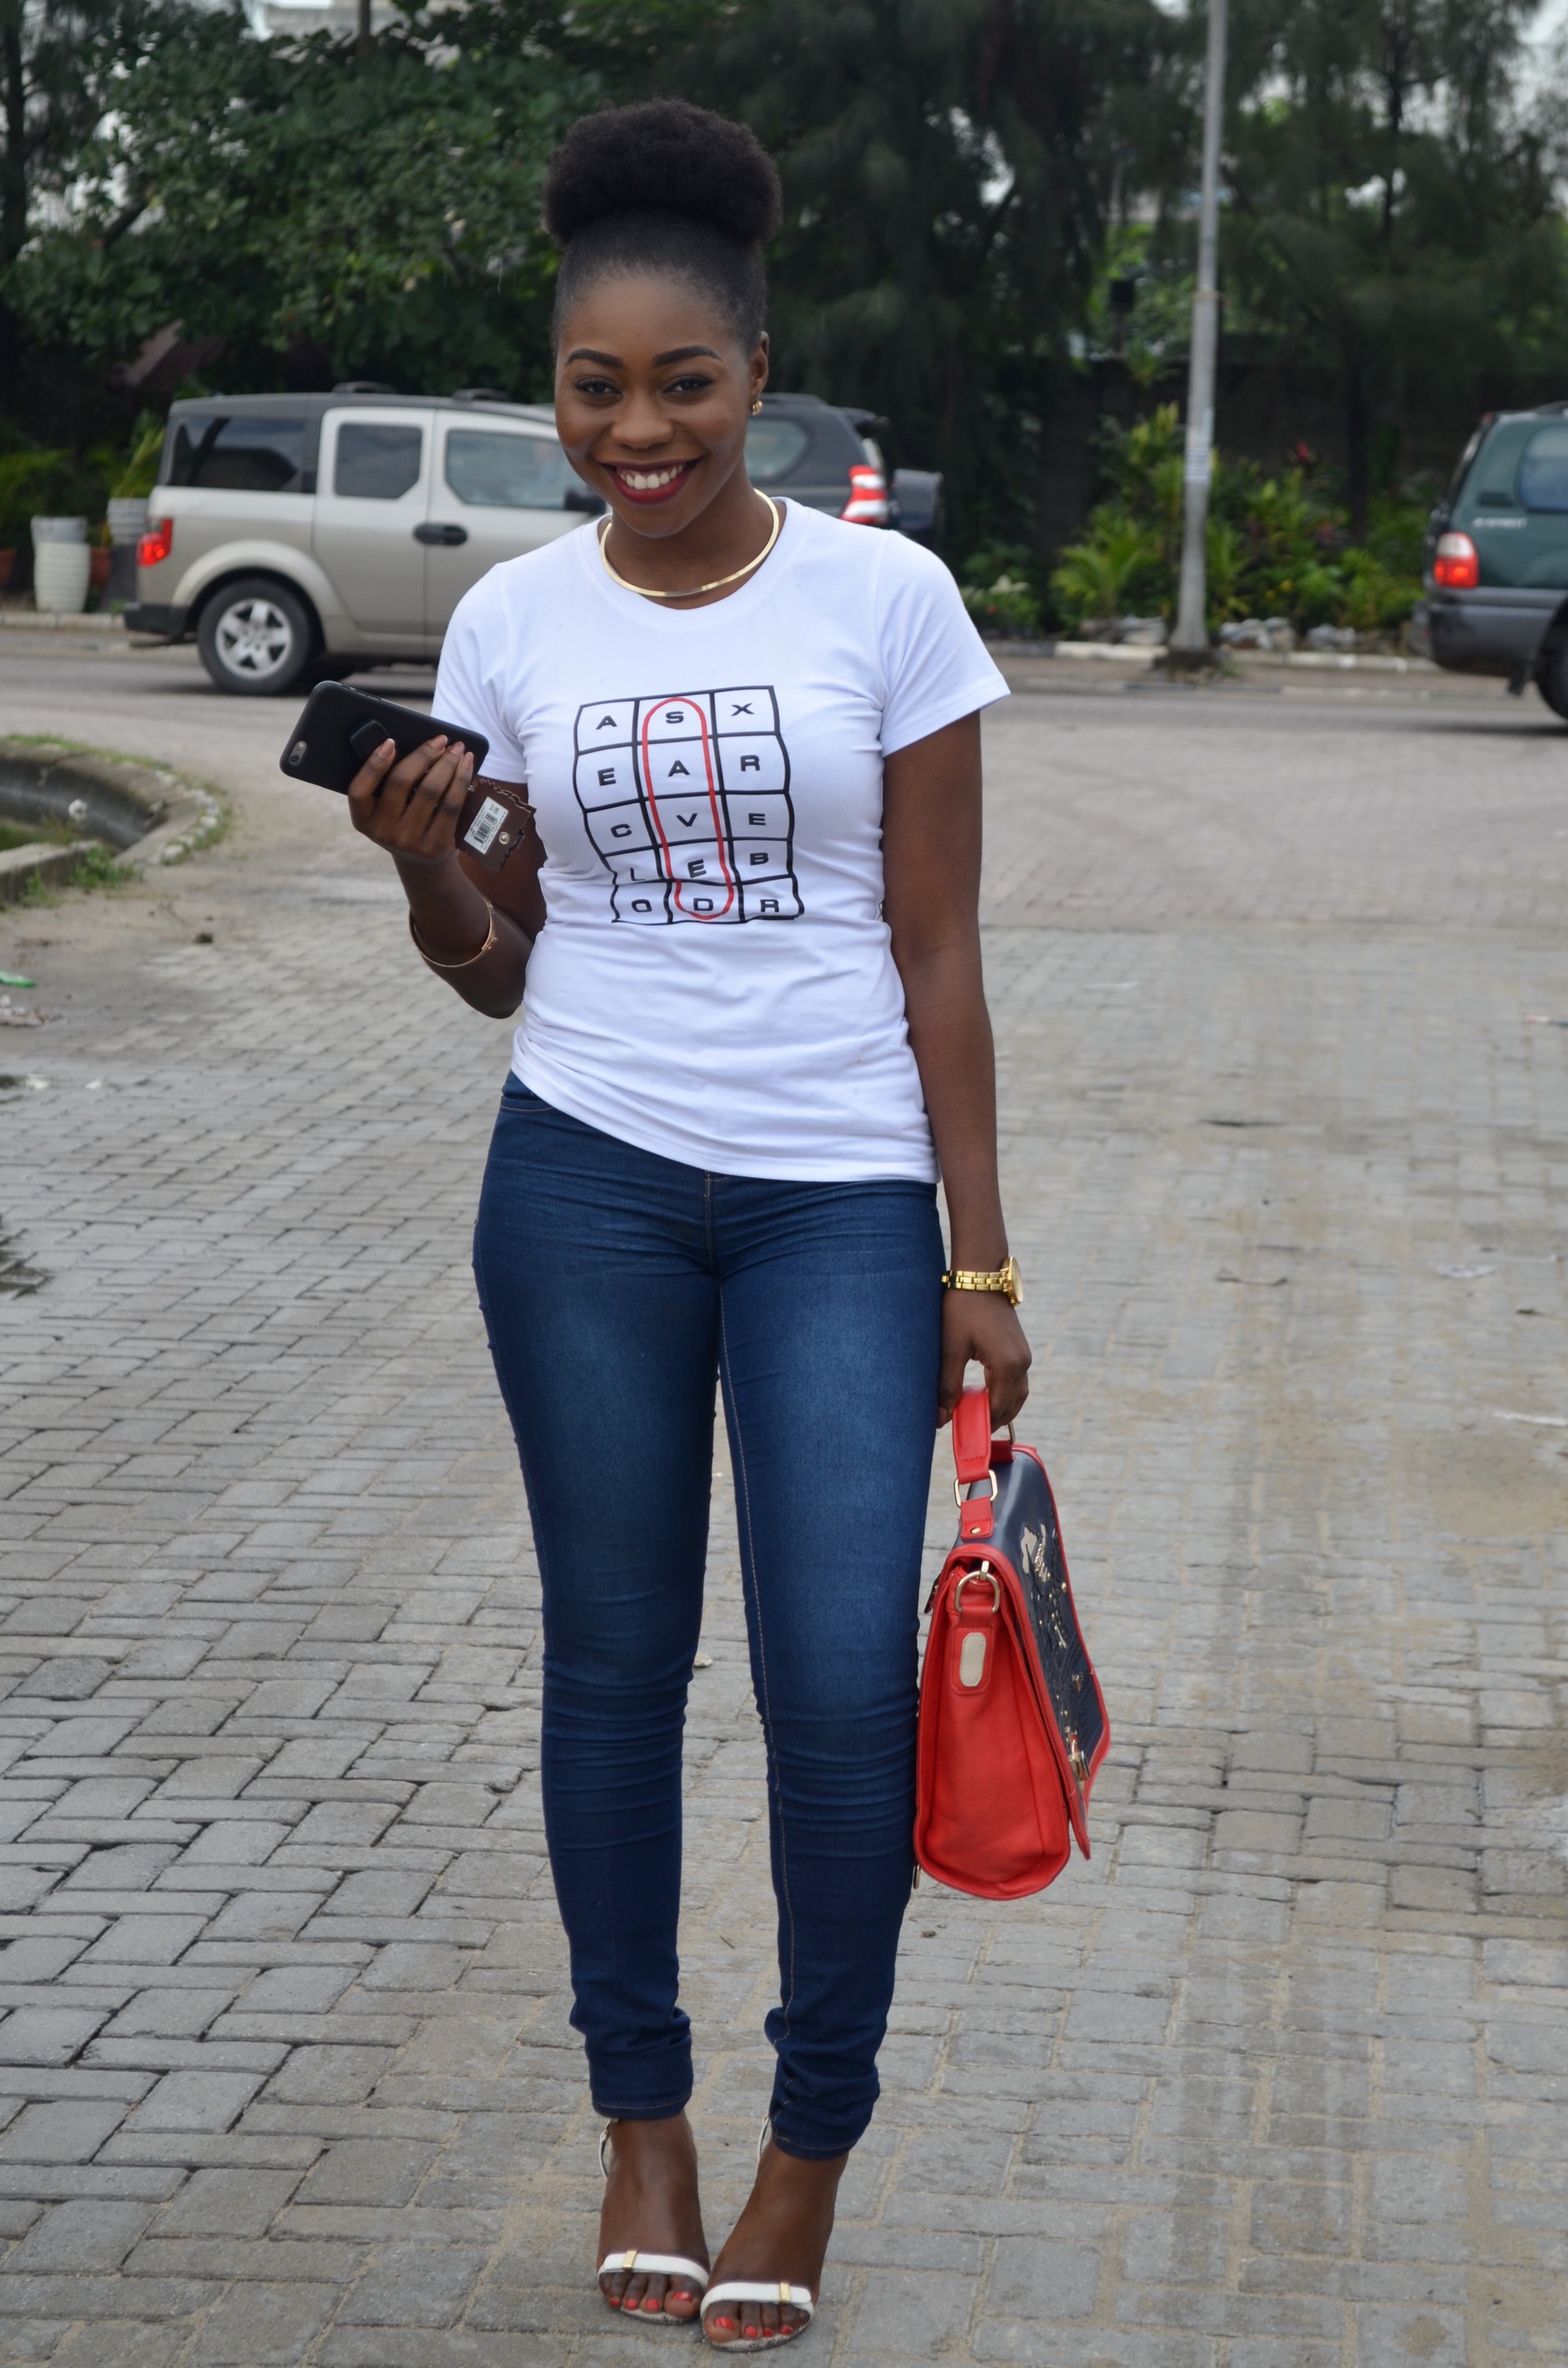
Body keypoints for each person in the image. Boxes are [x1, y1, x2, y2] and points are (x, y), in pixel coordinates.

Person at [346, 96, 1031, 2355]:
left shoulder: (888, 601)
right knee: (614, 1666)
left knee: (835, 1685)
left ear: (758, 378)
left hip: (842, 1200)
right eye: (592, 388)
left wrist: (979, 1257)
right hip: (585, 1185)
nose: (634, 432)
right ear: (554, 391)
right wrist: (427, 861)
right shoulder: (510, 620)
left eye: (681, 385)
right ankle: (639, 2119)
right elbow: (498, 963)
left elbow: (938, 950)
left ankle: (806, 2147)